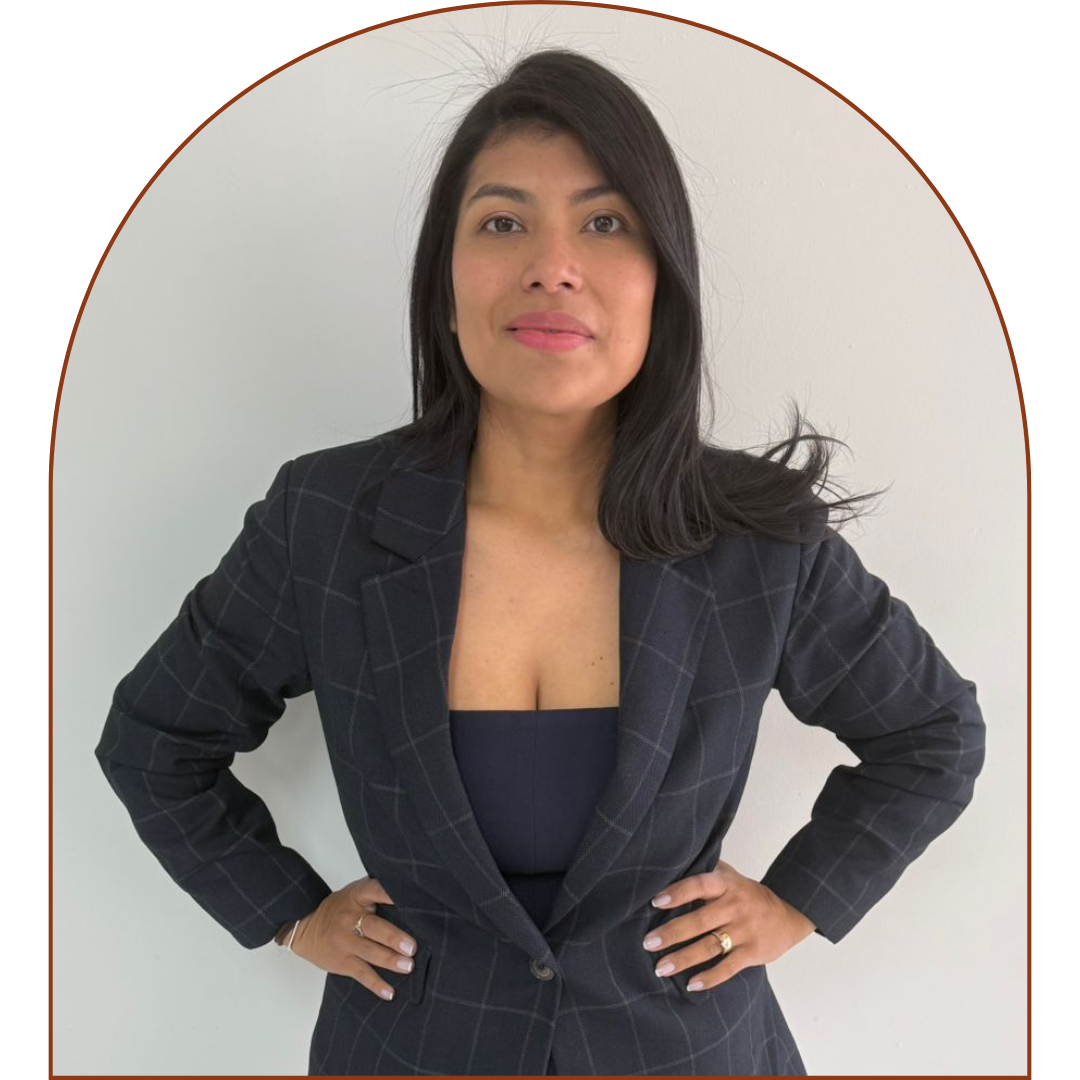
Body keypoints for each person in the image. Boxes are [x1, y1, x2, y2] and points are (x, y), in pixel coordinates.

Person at [93, 48, 987, 1076]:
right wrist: (291, 915)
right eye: (502, 223)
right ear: (445, 285)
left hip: (689, 1055)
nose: (552, 266)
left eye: (605, 224)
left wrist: (797, 902)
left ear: (663, 285)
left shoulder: (759, 538)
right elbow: (155, 742)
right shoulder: (326, 520)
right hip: (412, 1053)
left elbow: (932, 735)